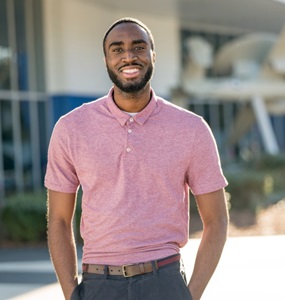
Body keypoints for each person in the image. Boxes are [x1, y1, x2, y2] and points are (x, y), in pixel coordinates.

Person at [45, 17, 229, 300]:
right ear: (106, 59)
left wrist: (189, 296)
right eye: (117, 49)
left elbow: (216, 220)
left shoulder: (191, 129)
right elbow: (58, 219)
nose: (128, 56)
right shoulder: (71, 128)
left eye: (138, 47)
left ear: (153, 55)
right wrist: (71, 294)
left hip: (164, 281)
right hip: (98, 284)